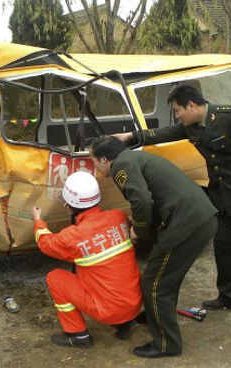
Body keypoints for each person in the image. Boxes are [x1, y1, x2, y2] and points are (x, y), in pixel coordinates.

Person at [115, 84, 231, 335]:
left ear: (192, 106)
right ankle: (230, 296)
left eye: (178, 110)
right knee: (224, 248)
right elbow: (165, 133)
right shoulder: (192, 126)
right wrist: (130, 137)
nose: (177, 115)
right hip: (225, 197)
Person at [90, 136, 218, 359]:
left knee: (154, 282)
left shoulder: (122, 164)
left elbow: (141, 200)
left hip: (188, 223)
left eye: (94, 161)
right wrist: (141, 221)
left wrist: (137, 231)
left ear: (104, 159)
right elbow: (153, 197)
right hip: (200, 218)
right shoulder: (134, 157)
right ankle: (154, 316)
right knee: (165, 277)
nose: (95, 167)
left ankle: (167, 344)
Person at [32, 171, 142, 349]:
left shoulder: (72, 236)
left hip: (108, 312)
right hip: (135, 304)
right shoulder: (119, 217)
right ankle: (126, 322)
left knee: (56, 278)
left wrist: (38, 221)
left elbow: (45, 243)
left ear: (68, 206)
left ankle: (77, 335)